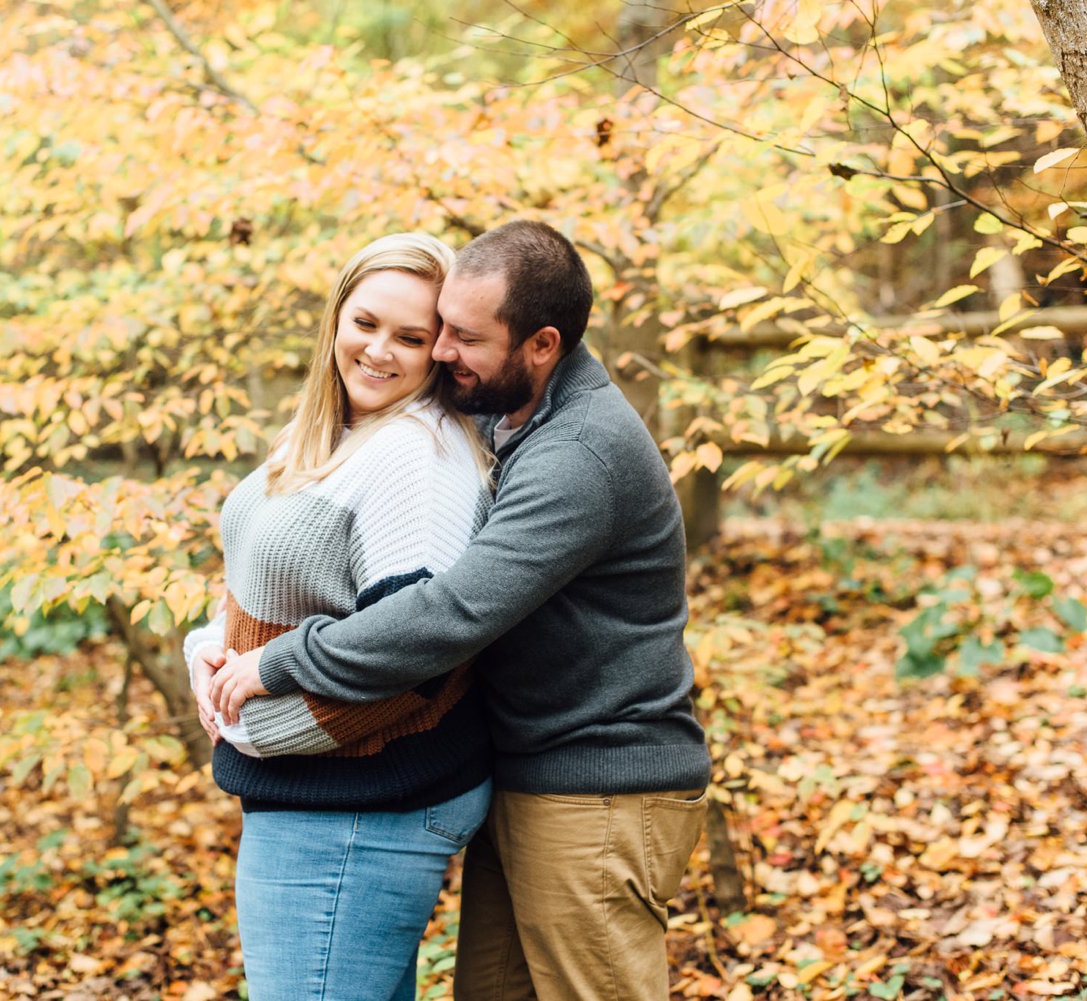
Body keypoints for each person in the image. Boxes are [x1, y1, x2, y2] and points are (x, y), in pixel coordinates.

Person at [208, 220, 712, 1001]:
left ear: (541, 344)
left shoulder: (580, 451)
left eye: (461, 337)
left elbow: (450, 612)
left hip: (601, 784)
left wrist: (279, 661)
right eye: (438, 330)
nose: (439, 353)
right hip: (522, 771)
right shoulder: (497, 404)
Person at [182, 233, 495, 1001]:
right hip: (327, 802)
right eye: (365, 322)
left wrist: (254, 726)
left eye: (411, 337)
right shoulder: (336, 433)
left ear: (440, 352)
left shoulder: (413, 460)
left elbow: (418, 656)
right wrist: (206, 649)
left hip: (358, 808)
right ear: (335, 319)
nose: (379, 350)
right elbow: (266, 576)